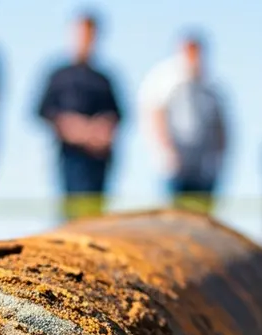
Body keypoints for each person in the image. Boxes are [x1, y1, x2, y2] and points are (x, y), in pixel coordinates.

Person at [35, 11, 121, 221]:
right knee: (71, 214)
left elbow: (117, 115)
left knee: (95, 215)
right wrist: (70, 127)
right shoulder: (58, 75)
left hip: (99, 159)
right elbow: (42, 110)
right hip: (70, 157)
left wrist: (102, 128)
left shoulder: (104, 78)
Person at [139, 31, 227, 213]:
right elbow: (155, 114)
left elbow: (220, 127)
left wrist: (217, 160)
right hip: (174, 169)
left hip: (203, 169)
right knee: (174, 219)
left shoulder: (212, 86)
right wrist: (168, 151)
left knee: (202, 221)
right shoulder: (164, 78)